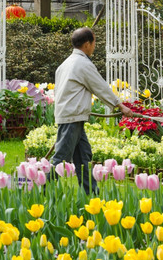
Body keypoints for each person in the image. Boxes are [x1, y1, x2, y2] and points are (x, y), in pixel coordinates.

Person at [51, 27, 133, 194]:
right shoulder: (83, 64)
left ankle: (92, 193)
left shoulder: (65, 64)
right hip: (72, 118)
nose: (95, 45)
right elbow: (100, 87)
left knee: (83, 156)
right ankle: (41, 190)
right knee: (60, 159)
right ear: (87, 44)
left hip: (72, 116)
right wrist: (120, 105)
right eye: (94, 42)